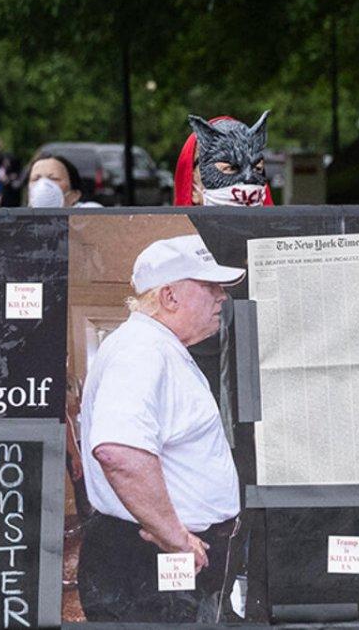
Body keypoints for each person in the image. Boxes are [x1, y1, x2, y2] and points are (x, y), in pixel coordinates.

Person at [0, 112, 359, 350]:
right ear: (193, 182)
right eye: (225, 168)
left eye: (255, 169)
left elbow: (344, 308)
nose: (245, 182)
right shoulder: (164, 255)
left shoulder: (293, 252)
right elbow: (67, 311)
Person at [77, 235, 245, 621]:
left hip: (159, 561)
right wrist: (174, 536)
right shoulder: (142, 351)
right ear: (169, 297)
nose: (221, 297)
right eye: (210, 287)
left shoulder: (156, 347)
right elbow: (118, 451)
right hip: (150, 565)